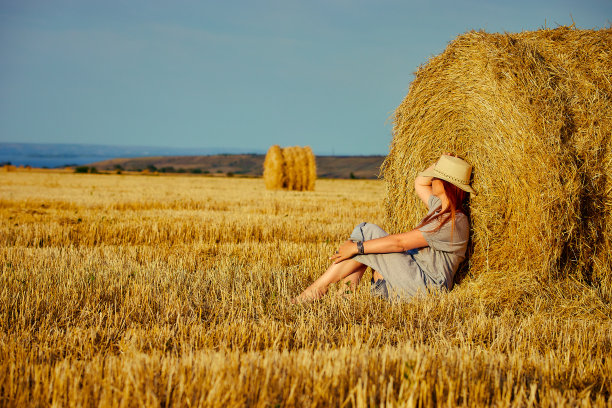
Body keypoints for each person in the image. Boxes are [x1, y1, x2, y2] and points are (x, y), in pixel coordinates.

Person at [293, 154, 476, 303]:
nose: (432, 179)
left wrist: (357, 248)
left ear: (445, 184)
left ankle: (318, 289)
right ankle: (345, 295)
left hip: (428, 287)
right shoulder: (439, 207)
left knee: (368, 232)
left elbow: (400, 243)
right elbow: (420, 182)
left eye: (437, 176)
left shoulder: (455, 222)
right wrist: (438, 164)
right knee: (368, 236)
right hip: (411, 278)